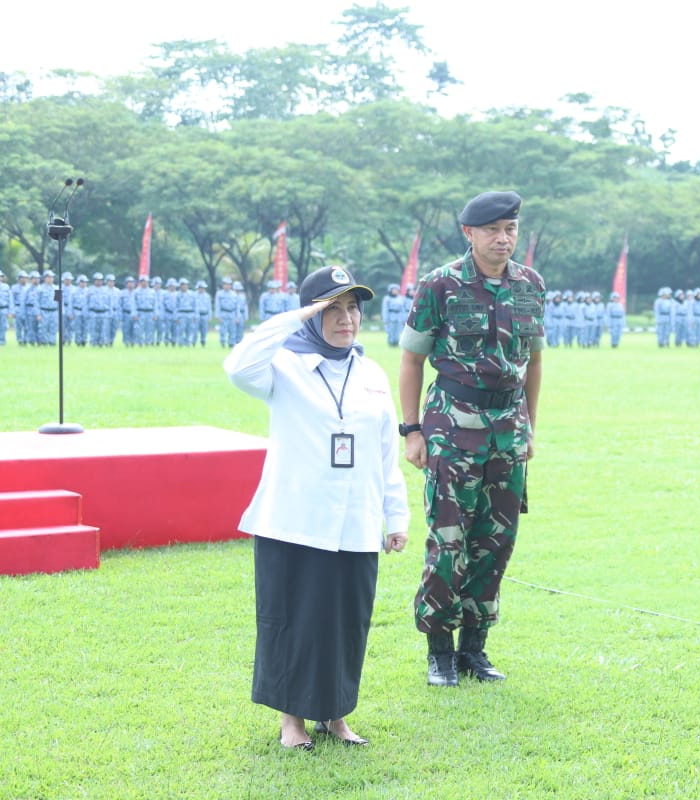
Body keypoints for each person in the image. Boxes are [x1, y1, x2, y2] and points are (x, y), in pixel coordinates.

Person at [225, 265, 409, 750]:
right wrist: (294, 317)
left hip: (357, 520)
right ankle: (292, 722)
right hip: (294, 520)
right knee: (294, 618)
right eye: (333, 309)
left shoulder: (370, 372)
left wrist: (398, 516)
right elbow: (238, 366)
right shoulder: (282, 367)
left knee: (348, 621)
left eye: (353, 308)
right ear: (310, 316)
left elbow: (386, 450)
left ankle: (336, 715)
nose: (346, 319)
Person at [398, 190, 545, 687]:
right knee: (448, 542)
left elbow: (536, 361)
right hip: (451, 431)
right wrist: (412, 430)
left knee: (495, 543)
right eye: (492, 230)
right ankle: (439, 651)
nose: (503, 239)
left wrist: (530, 427)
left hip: (507, 432)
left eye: (510, 229)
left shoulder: (530, 285)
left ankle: (474, 650)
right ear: (469, 234)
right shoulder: (441, 285)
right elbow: (412, 360)